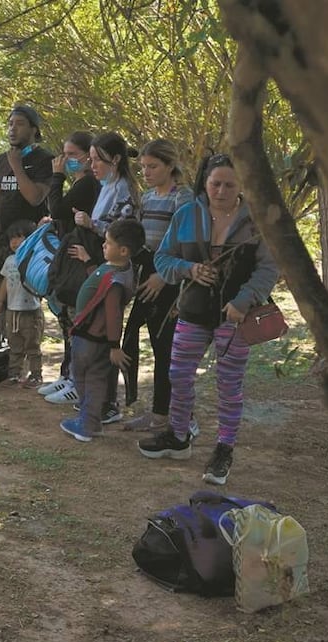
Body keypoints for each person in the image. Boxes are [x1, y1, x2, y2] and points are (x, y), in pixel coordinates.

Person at [138, 153, 279, 486]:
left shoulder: (255, 221)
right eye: (216, 183)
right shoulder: (187, 214)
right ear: (205, 182)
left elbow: (269, 268)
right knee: (178, 373)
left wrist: (244, 300)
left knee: (229, 385)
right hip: (193, 310)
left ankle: (223, 449)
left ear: (241, 185)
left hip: (236, 317)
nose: (221, 190)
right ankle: (178, 435)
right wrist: (189, 270)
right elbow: (163, 257)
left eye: (229, 185)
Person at [120, 139, 195, 431]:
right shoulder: (149, 198)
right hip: (148, 276)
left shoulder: (183, 198)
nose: (147, 172)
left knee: (169, 349)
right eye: (143, 167)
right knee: (151, 342)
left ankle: (178, 415)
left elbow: (186, 244)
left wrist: (165, 276)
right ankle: (159, 411)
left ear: (170, 165)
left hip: (172, 279)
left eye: (153, 166)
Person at [68, 132, 140, 423]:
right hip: (102, 265)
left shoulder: (124, 190)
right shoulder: (107, 186)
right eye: (92, 158)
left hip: (113, 270)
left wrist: (91, 223)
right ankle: (95, 403)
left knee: (105, 334)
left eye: (98, 159)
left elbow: (122, 231)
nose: (92, 164)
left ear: (116, 160)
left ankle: (104, 404)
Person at [59, 220, 145, 442]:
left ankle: (87, 424)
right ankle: (92, 423)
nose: (103, 246)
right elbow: (98, 281)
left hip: (90, 337)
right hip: (99, 339)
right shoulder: (121, 270)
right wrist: (89, 262)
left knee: (82, 377)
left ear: (123, 250)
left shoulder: (116, 280)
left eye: (108, 243)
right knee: (95, 379)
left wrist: (115, 346)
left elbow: (113, 313)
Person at [39, 131, 101, 401]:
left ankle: (77, 380)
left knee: (76, 319)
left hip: (80, 258)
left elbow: (57, 209)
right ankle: (67, 374)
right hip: (69, 257)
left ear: (89, 157)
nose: (66, 160)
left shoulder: (87, 184)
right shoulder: (79, 184)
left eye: (73, 155)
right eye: (64, 155)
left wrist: (56, 177)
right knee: (66, 318)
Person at [0, 105, 54, 270]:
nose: (13, 129)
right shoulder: (3, 159)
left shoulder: (45, 159)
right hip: (3, 240)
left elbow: (35, 198)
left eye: (20, 124)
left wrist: (17, 166)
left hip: (31, 240)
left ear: (34, 130)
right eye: (10, 124)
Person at [0, 220, 43, 387]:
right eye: (11, 238)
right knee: (15, 344)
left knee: (32, 345)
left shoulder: (33, 259)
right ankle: (14, 373)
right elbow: (5, 282)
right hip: (12, 310)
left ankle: (35, 375)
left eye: (19, 237)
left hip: (30, 310)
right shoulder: (10, 260)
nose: (14, 242)